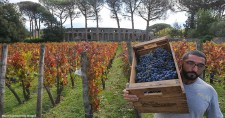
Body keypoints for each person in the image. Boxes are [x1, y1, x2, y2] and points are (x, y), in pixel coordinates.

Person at [123, 50, 224, 118]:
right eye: (190, 63)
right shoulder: (164, 81)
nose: (195, 69)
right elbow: (142, 93)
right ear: (181, 63)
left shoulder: (209, 91)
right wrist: (131, 93)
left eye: (200, 65)